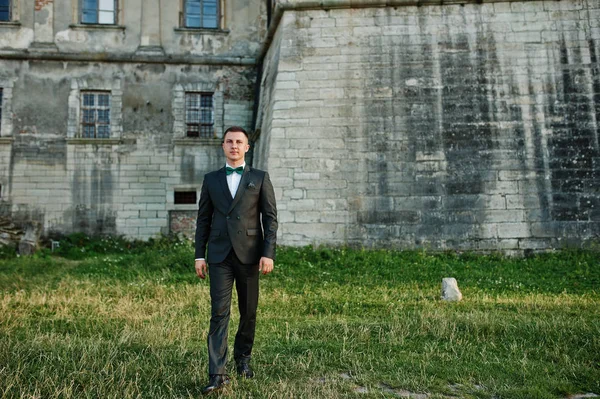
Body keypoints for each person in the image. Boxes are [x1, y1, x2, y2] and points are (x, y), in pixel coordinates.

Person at [194, 126, 278, 395]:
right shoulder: (211, 179)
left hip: (250, 253)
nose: (234, 146)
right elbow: (203, 219)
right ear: (223, 146)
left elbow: (270, 219)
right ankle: (216, 374)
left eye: (239, 142)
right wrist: (199, 254)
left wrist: (268, 252)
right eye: (229, 141)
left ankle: (243, 359)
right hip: (219, 255)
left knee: (248, 310)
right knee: (218, 313)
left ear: (247, 147)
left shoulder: (260, 178)